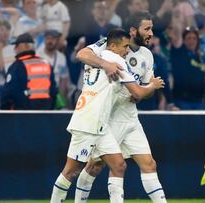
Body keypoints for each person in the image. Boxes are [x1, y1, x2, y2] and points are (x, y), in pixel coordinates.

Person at [50, 28, 165, 203]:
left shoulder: (97, 57)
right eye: (125, 46)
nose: (127, 50)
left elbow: (82, 54)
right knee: (71, 171)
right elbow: (138, 93)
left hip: (99, 123)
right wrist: (152, 85)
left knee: (119, 165)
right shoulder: (117, 61)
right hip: (88, 122)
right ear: (112, 45)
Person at [0, 33, 56, 110]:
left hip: (24, 115)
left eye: (16, 46)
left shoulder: (17, 66)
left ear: (25, 46)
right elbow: (53, 91)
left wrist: (4, 112)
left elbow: (8, 93)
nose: (14, 49)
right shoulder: (46, 64)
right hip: (46, 113)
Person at [37, 29, 70, 109]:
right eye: (48, 38)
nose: (50, 41)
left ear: (57, 41)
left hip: (55, 94)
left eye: (53, 39)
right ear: (44, 39)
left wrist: (60, 97)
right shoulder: (37, 56)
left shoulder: (62, 57)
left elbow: (64, 79)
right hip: (41, 95)